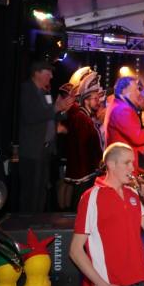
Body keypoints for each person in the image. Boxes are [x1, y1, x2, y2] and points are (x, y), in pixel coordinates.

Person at [69, 142, 144, 286]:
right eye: (127, 163)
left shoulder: (132, 193)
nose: (132, 168)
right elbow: (75, 250)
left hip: (139, 285)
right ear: (111, 164)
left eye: (132, 163)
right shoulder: (92, 197)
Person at [19, 60, 74, 213]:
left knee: (42, 188)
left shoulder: (45, 92)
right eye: (48, 72)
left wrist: (63, 109)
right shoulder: (27, 90)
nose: (51, 76)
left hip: (45, 150)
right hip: (32, 150)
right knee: (31, 190)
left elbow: (51, 116)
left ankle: (37, 219)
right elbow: (31, 116)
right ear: (37, 73)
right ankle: (27, 221)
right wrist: (56, 108)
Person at [63, 67, 104, 209]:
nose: (98, 102)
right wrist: (95, 164)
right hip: (84, 171)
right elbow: (83, 146)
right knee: (80, 204)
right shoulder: (82, 118)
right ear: (86, 100)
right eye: (95, 99)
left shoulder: (86, 117)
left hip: (87, 170)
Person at [104, 76, 144, 172]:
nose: (139, 93)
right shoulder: (123, 110)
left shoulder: (117, 105)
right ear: (124, 90)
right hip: (123, 165)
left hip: (120, 162)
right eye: (136, 90)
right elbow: (137, 137)